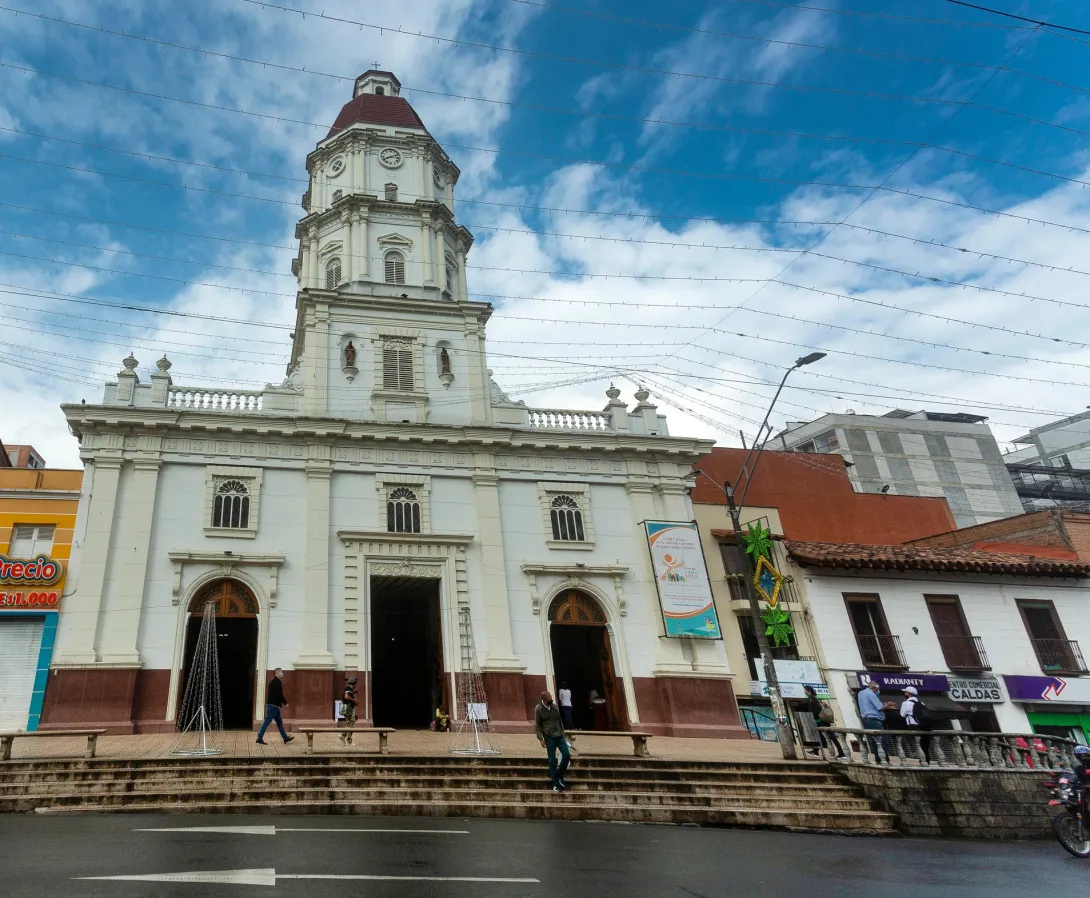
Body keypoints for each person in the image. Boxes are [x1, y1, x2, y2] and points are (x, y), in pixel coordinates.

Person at [534, 691, 570, 792]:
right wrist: (540, 738)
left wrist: (563, 733)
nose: (551, 701)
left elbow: (560, 720)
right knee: (552, 761)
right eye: (549, 699)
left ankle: (560, 776)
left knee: (566, 755)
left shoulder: (554, 707)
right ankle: (556, 783)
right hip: (549, 737)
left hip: (559, 735)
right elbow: (537, 725)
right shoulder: (539, 709)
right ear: (544, 700)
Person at [804, 685, 844, 759]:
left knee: (831, 736)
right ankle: (816, 751)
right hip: (821, 721)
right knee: (819, 735)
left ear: (808, 691)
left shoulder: (812, 698)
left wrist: (812, 715)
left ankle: (841, 753)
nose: (804, 692)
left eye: (805, 690)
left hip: (820, 721)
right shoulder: (814, 698)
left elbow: (816, 710)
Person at [857, 681, 893, 763]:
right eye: (877, 690)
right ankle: (884, 759)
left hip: (866, 720)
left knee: (874, 741)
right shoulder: (871, 694)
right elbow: (880, 708)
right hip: (874, 719)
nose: (877, 692)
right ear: (873, 688)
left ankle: (878, 758)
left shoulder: (860, 693)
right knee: (881, 740)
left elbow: (869, 705)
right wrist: (888, 704)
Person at [256, 668, 294, 745]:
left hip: (275, 707)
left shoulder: (273, 682)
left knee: (279, 722)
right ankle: (259, 738)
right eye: (281, 672)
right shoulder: (277, 682)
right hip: (273, 707)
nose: (282, 673)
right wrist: (285, 702)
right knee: (266, 722)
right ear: (277, 673)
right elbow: (279, 695)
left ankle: (285, 738)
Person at [900, 686, 934, 765]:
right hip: (924, 726)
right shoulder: (921, 703)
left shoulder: (906, 703)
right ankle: (926, 760)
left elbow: (902, 715)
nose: (904, 693)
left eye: (906, 692)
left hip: (913, 726)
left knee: (916, 743)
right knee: (924, 745)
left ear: (908, 694)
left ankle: (921, 761)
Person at [341, 677, 358, 745]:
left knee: (350, 724)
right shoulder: (349, 689)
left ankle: (347, 740)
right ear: (353, 684)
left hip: (348, 708)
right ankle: (344, 737)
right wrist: (354, 700)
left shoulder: (348, 689)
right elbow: (346, 696)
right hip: (349, 708)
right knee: (352, 724)